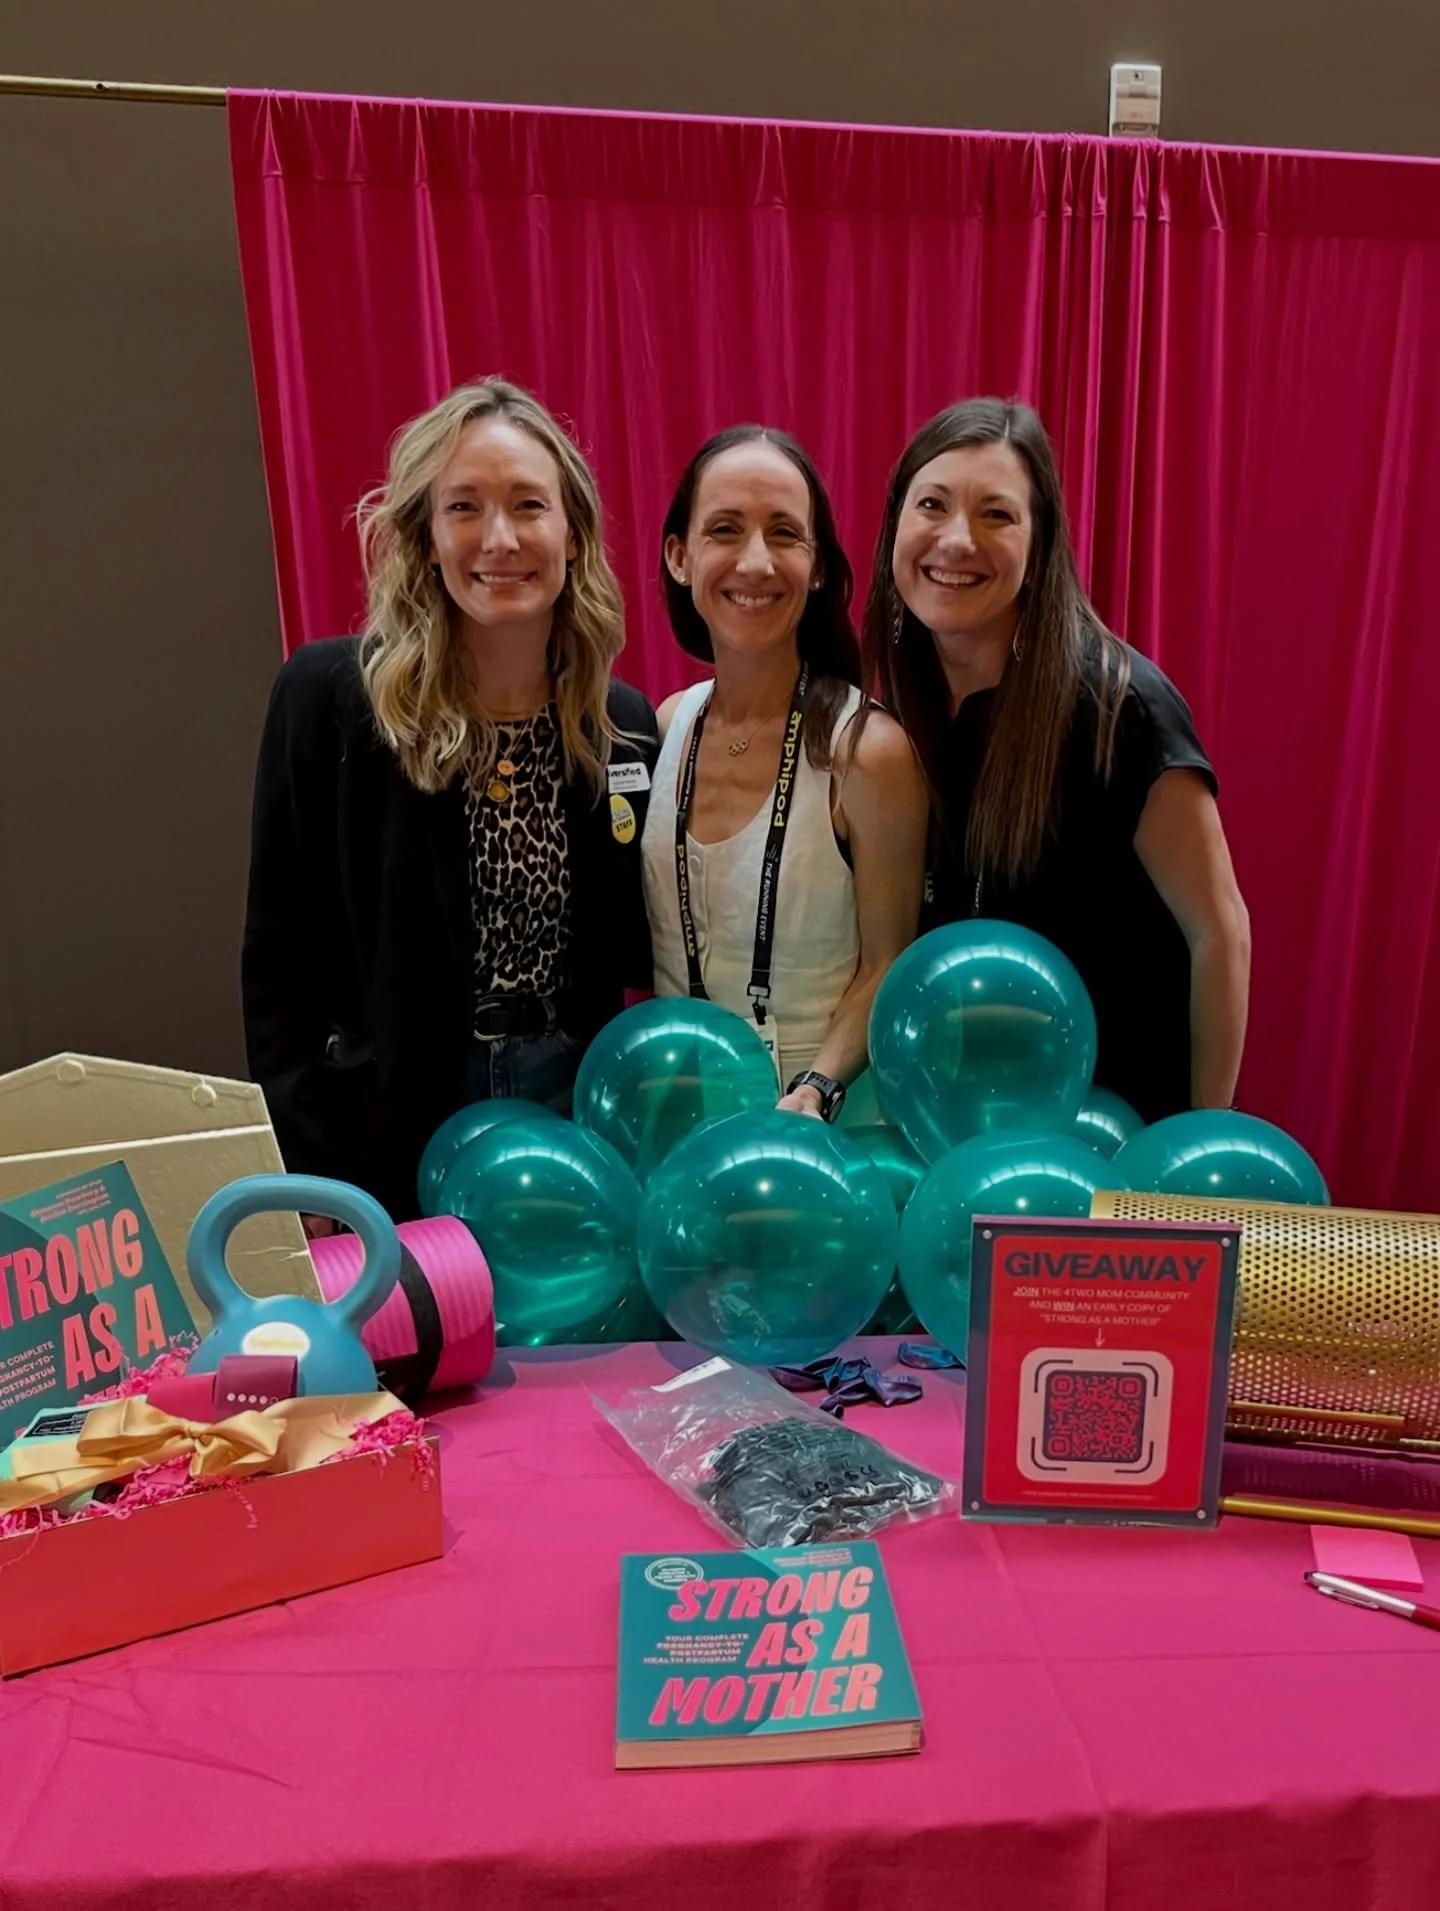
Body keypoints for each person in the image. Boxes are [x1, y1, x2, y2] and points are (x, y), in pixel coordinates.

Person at [243, 378, 657, 1221]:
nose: (498, 538)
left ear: (572, 535)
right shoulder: (331, 696)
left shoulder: (619, 725)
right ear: (427, 539)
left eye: (528, 506)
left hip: (569, 1115)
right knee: (412, 1348)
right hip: (389, 1119)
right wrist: (304, 1165)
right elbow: (278, 964)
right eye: (464, 506)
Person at [863, 397, 1250, 1122]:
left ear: (1040, 547)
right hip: (969, 1120)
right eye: (932, 504)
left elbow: (1219, 929)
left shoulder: (1120, 706)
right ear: (894, 527)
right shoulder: (903, 698)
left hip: (1115, 1127)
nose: (956, 539)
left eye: (996, 514)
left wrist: (1200, 1133)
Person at [642, 426, 928, 1123]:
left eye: (784, 533)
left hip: (829, 1128)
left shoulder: (867, 750)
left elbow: (889, 962)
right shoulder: (665, 724)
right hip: (687, 1123)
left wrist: (817, 1085)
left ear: (820, 564)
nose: (756, 561)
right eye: (726, 529)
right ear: (680, 556)